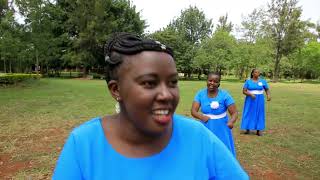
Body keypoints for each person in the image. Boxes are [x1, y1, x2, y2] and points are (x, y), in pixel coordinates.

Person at [53, 33, 249, 180]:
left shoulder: (198, 137)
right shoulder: (84, 144)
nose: (166, 95)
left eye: (172, 82)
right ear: (116, 90)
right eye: (149, 83)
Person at [191, 72, 239, 157]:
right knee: (206, 147)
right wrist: (201, 116)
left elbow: (234, 112)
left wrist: (231, 121)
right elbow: (193, 111)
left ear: (219, 83)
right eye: (210, 80)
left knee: (222, 148)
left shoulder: (225, 95)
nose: (212, 83)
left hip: (222, 126)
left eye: (215, 81)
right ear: (207, 81)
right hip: (206, 125)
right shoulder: (200, 94)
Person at [241, 68, 271, 136]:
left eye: (258, 72)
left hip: (259, 100)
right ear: (252, 73)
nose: (257, 74)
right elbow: (244, 91)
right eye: (256, 72)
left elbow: (267, 89)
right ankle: (247, 129)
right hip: (250, 100)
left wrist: (268, 95)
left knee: (259, 113)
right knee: (248, 112)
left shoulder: (263, 81)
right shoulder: (248, 81)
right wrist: (250, 94)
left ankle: (259, 130)